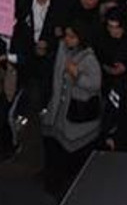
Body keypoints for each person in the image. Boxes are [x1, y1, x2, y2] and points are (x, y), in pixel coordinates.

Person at [40, 23, 101, 197]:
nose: (68, 39)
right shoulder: (62, 48)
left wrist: (78, 75)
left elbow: (95, 84)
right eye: (66, 35)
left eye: (72, 37)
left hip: (76, 115)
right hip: (58, 110)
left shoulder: (89, 59)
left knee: (71, 157)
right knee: (55, 149)